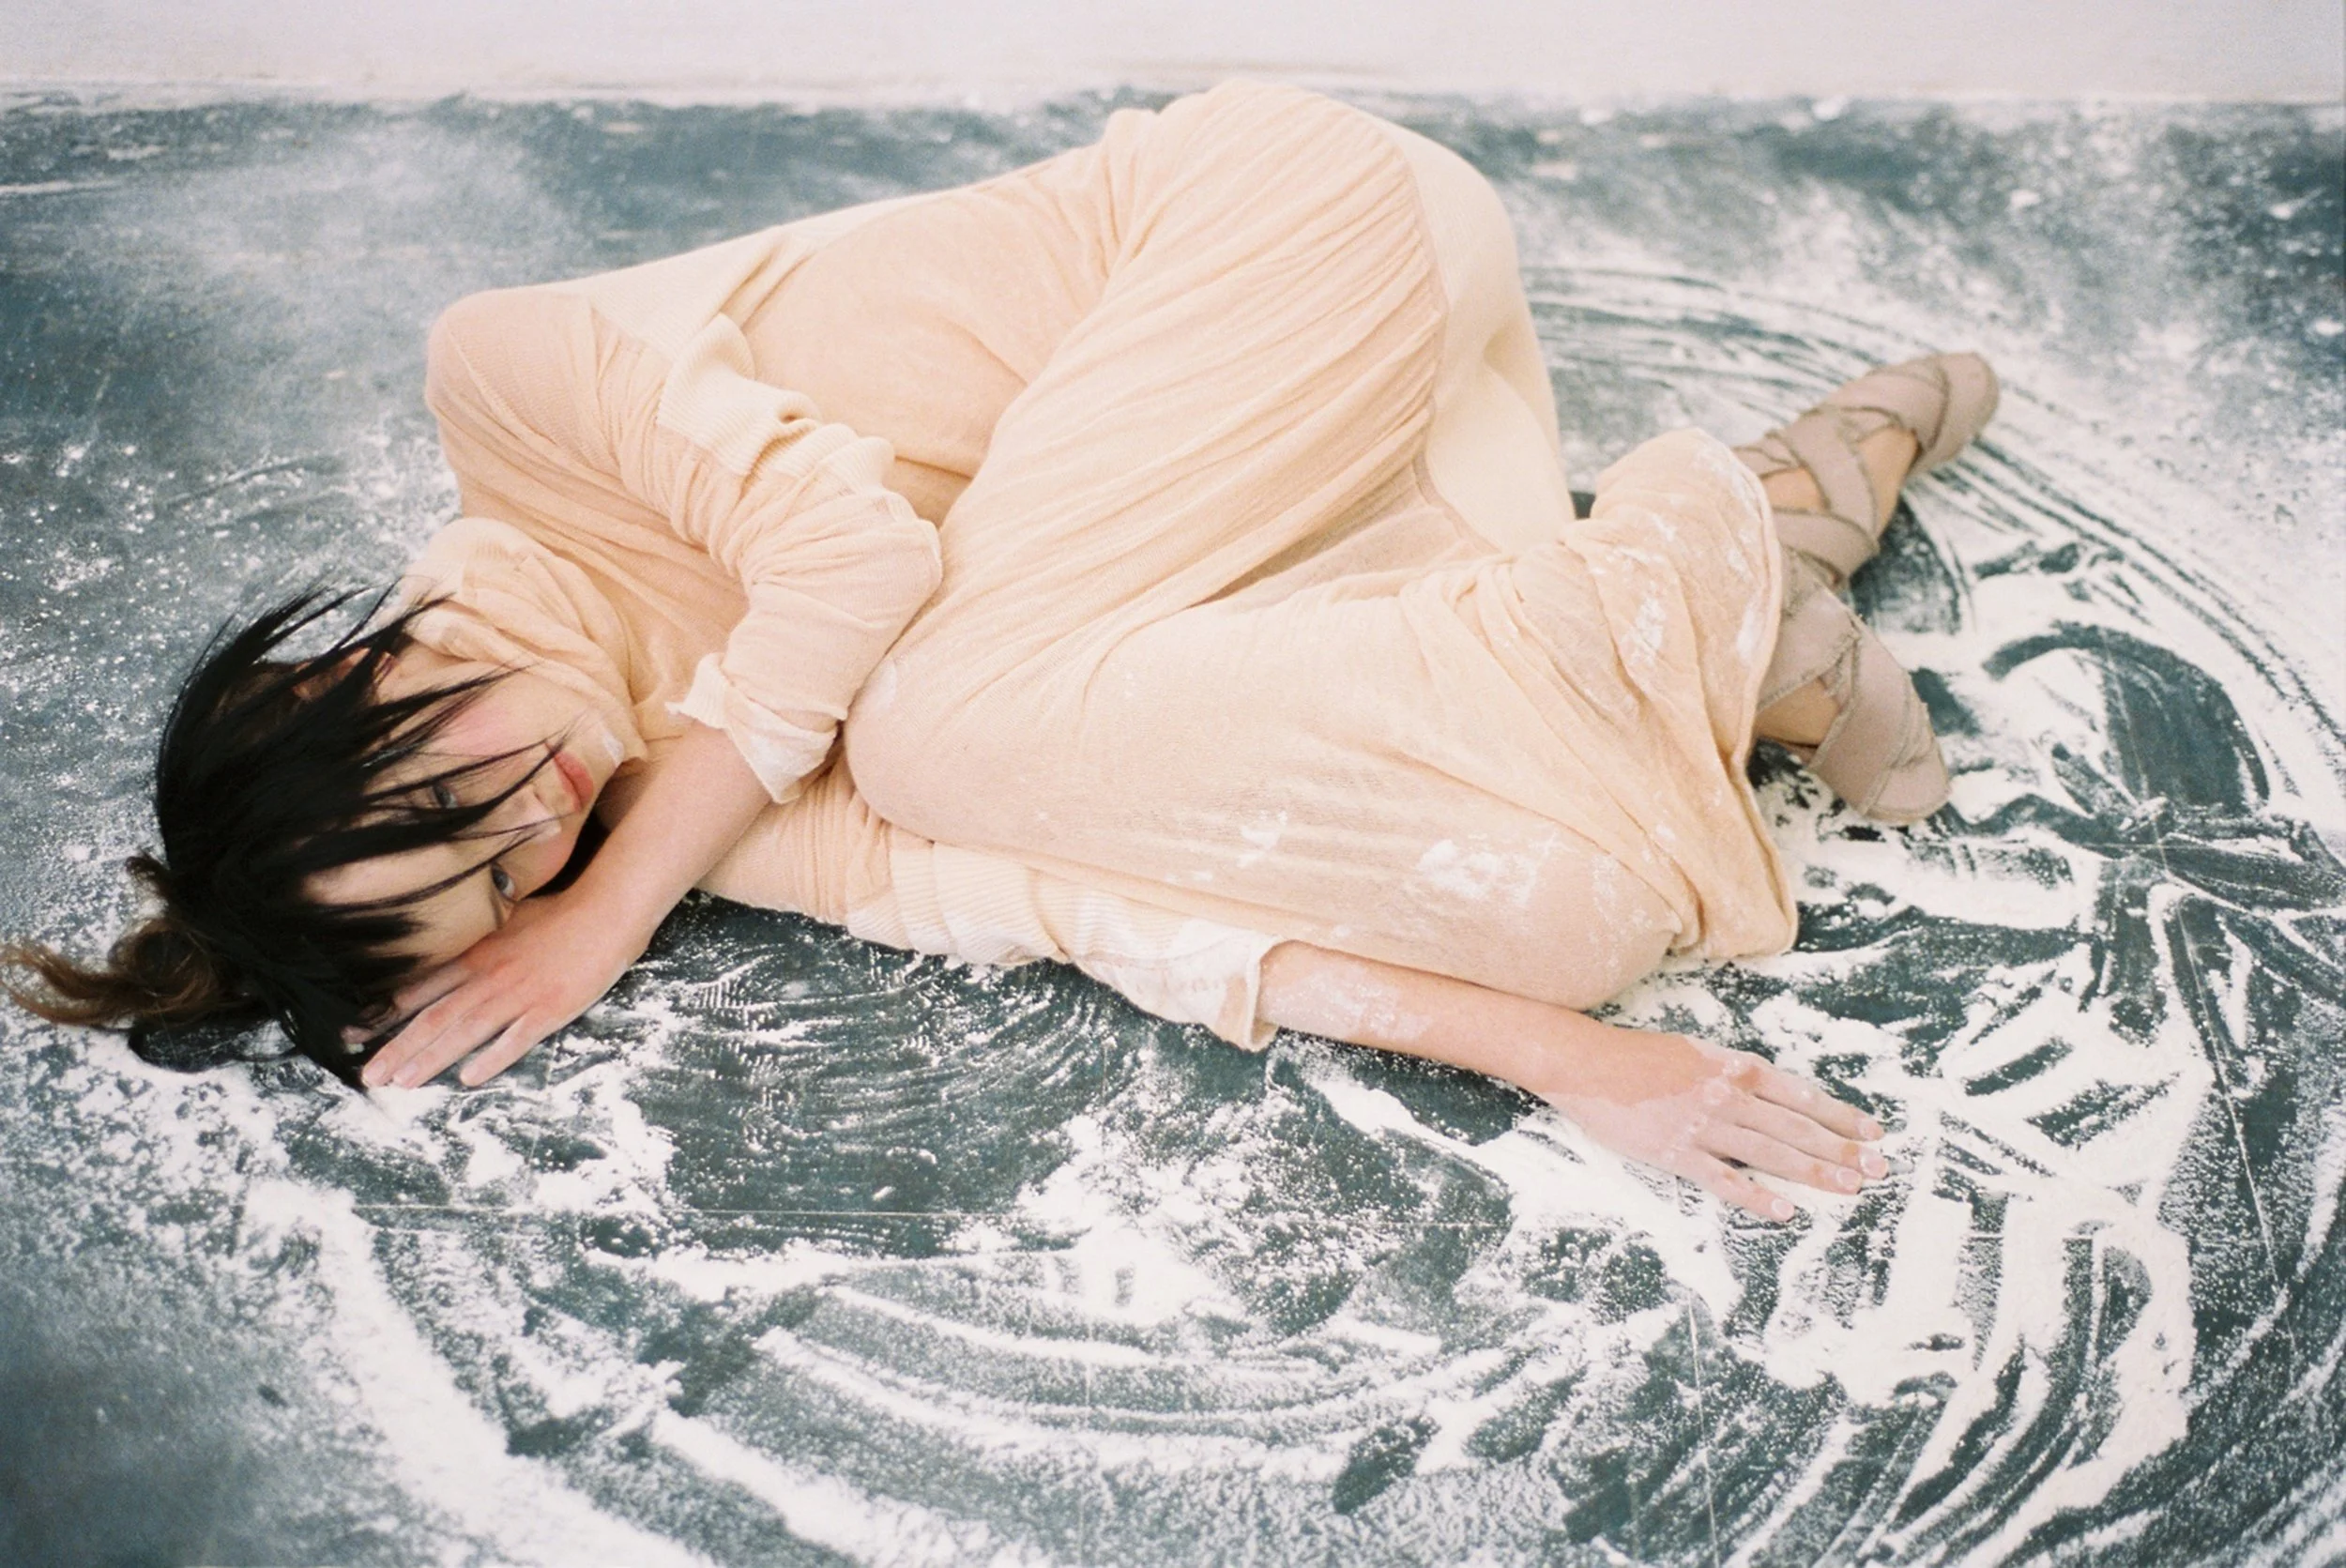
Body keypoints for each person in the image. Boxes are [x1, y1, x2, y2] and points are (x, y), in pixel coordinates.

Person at [5, 82, 2000, 1224]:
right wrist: (1563, 1052)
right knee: (1541, 908)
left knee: (948, 717)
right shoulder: (687, 806)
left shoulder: (511, 393)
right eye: (489, 881)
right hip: (1338, 466)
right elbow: (1061, 903)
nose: (532, 824)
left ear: (333, 687)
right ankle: (1789, 517)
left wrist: (600, 909)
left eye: (441, 800)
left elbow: (845, 551)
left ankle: (1684, 583)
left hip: (1289, 221)